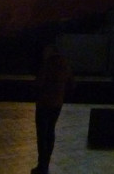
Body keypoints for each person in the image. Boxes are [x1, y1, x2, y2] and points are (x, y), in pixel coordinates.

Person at [33, 42, 73, 174]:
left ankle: (42, 164)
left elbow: (40, 82)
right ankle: (46, 162)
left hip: (44, 102)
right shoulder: (64, 63)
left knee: (42, 133)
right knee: (50, 131)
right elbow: (70, 80)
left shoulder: (47, 64)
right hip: (57, 103)